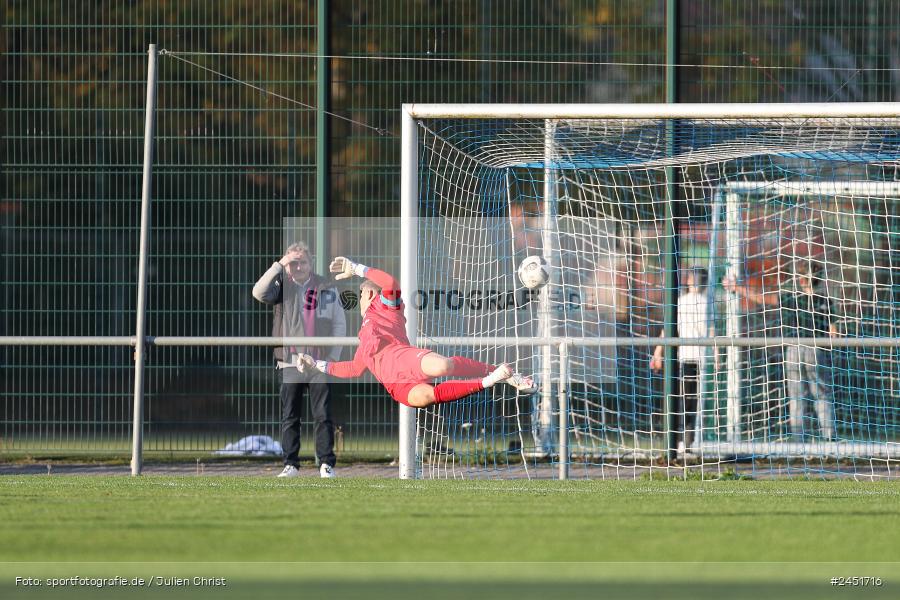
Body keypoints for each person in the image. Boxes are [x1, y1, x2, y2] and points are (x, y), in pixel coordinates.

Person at [294, 256, 536, 408]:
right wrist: (317, 364)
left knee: (444, 367)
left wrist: (357, 268)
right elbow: (354, 369)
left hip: (404, 359)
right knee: (426, 398)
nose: (358, 301)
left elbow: (389, 283)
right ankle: (490, 381)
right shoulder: (363, 336)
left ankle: (497, 373)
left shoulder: (385, 307)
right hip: (396, 386)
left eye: (359, 296)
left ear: (368, 294)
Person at [253, 242, 346, 478]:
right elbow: (258, 292)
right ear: (287, 264)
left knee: (323, 415)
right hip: (290, 362)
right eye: (293, 262)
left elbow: (339, 323)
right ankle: (291, 464)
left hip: (319, 363)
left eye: (302, 262)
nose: (298, 266)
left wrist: (332, 357)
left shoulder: (325, 286)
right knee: (290, 417)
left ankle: (326, 464)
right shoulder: (281, 286)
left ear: (310, 264)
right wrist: (278, 265)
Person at [723, 262, 837, 441]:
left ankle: (799, 440)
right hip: (816, 350)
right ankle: (829, 438)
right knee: (821, 395)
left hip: (793, 350)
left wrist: (737, 287)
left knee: (797, 397)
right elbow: (833, 333)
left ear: (800, 280)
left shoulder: (791, 299)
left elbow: (762, 297)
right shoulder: (826, 301)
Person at [651, 268, 712, 455]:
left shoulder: (680, 302)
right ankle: (686, 442)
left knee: (681, 401)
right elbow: (711, 332)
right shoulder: (707, 304)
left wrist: (657, 352)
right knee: (692, 403)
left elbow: (667, 330)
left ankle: (678, 441)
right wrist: (716, 356)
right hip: (699, 359)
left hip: (682, 358)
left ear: (689, 281)